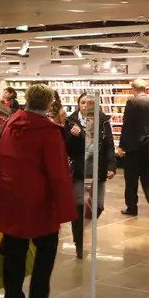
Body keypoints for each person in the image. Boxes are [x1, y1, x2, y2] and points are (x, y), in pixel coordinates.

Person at [0, 84, 76, 298]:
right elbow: (57, 172)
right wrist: (65, 205)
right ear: (49, 103)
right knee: (46, 249)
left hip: (9, 196)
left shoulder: (10, 123)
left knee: (14, 252)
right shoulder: (48, 131)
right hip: (39, 200)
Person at [64, 93, 116, 259]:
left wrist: (111, 166)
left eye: (89, 103)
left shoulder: (103, 121)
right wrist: (74, 136)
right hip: (80, 170)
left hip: (98, 169)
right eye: (83, 102)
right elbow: (67, 148)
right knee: (79, 205)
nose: (86, 105)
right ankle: (78, 242)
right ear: (78, 104)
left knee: (98, 206)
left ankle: (82, 225)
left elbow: (109, 145)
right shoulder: (70, 122)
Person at [118, 79, 149, 216]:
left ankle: (132, 207)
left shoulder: (132, 102)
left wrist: (121, 146)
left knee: (131, 177)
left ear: (133, 89)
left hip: (133, 145)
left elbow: (127, 125)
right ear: (145, 89)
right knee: (146, 173)